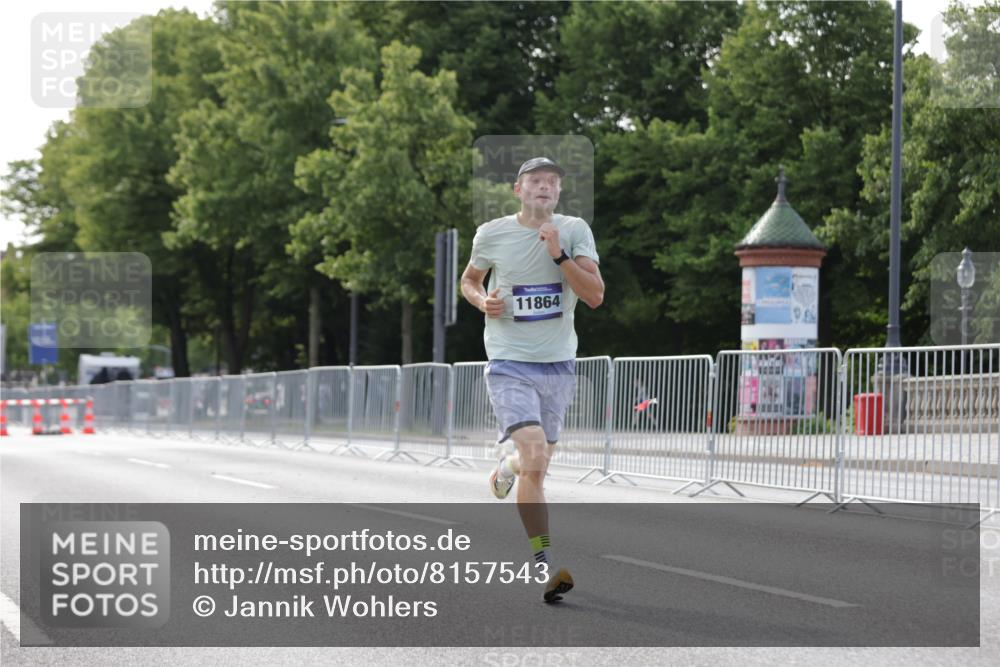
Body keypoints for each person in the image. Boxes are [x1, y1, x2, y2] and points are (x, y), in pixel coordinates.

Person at [460, 157, 604, 603]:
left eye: (552, 182)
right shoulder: (491, 233)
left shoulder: (574, 230)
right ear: (518, 190)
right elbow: (469, 280)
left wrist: (559, 254)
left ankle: (508, 467)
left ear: (558, 192)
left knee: (534, 464)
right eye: (535, 180)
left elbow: (595, 296)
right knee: (536, 453)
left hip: (558, 365)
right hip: (509, 362)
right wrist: (481, 301)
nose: (544, 186)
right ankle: (544, 564)